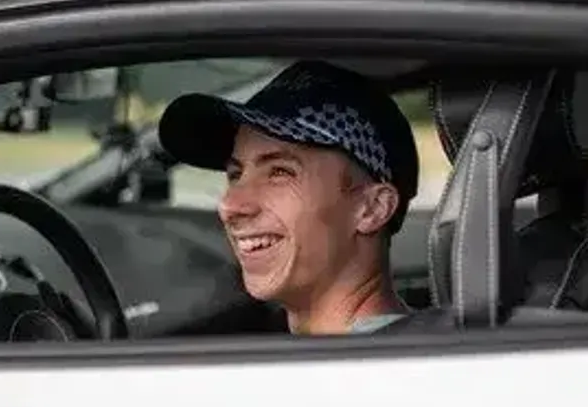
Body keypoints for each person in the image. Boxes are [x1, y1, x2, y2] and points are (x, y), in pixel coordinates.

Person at [157, 60, 420, 335]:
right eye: (235, 174)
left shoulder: (382, 373)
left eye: (280, 172)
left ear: (372, 208)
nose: (229, 206)